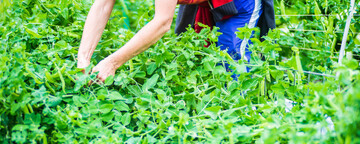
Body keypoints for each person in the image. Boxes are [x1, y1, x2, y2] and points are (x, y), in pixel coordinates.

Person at [77, 0, 275, 82]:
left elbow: (162, 22)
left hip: (239, 2)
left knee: (231, 63)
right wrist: (83, 58)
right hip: (201, 3)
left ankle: (244, 129)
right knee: (197, 58)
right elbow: (102, 5)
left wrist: (112, 63)